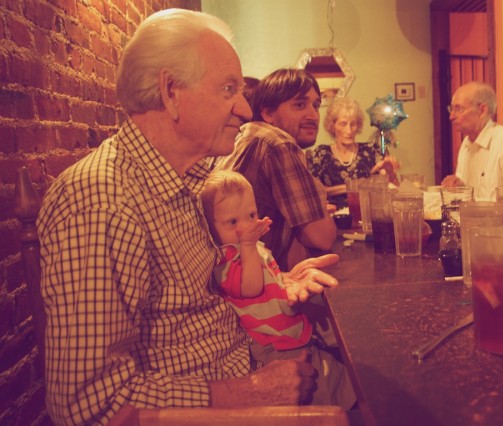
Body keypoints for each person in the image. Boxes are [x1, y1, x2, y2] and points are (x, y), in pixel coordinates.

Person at [37, 10, 341, 425]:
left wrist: (276, 281)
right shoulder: (102, 201)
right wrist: (249, 393)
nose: (245, 108)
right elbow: (89, 405)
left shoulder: (192, 181)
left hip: (256, 360)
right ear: (170, 92)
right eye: (229, 88)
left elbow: (204, 295)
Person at [201, 170, 355, 409]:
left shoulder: (249, 248)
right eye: (233, 222)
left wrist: (283, 279)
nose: (246, 226)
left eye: (251, 215)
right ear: (212, 229)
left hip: (287, 328)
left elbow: (269, 278)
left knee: (335, 364)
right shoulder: (225, 260)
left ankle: (352, 400)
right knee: (315, 386)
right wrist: (249, 245)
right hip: (271, 345)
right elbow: (251, 287)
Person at [215, 68, 337, 271]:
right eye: (300, 105)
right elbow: (322, 238)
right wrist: (318, 191)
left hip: (229, 278)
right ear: (268, 113)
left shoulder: (243, 135)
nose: (313, 115)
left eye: (316, 106)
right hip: (249, 287)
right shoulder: (276, 142)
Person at [441, 81, 503, 201]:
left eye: (458, 109)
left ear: (482, 110)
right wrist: (457, 186)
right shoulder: (466, 143)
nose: (451, 116)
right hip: (470, 218)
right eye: (451, 109)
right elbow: (466, 196)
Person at [305, 97, 400, 209]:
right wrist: (356, 186)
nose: (349, 130)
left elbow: (393, 188)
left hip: (369, 213)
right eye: (343, 124)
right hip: (336, 216)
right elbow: (313, 192)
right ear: (333, 126)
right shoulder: (321, 154)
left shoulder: (371, 150)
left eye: (353, 124)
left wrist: (390, 173)